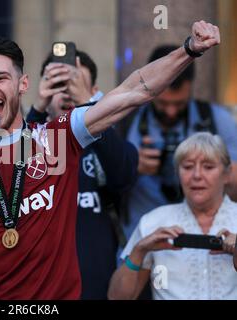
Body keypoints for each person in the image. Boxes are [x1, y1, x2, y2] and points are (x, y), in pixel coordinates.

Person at [0, 21, 220, 299]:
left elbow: (134, 91)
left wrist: (189, 49)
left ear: (23, 84)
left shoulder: (55, 139)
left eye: (0, 77)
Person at [26, 49, 138, 299]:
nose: (67, 92)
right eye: (58, 84)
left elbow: (124, 175)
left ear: (94, 89)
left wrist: (89, 103)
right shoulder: (33, 140)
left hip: (95, 288)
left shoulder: (110, 144)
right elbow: (11, 174)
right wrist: (36, 109)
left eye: (75, 83)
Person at [122, 44, 237, 240]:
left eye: (179, 104)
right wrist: (131, 163)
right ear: (149, 88)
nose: (171, 112)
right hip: (139, 234)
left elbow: (234, 179)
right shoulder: (125, 122)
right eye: (162, 103)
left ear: (191, 87)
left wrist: (211, 167)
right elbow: (100, 185)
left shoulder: (216, 119)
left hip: (205, 237)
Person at [108, 132, 237, 300]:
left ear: (227, 174)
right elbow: (117, 298)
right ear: (177, 174)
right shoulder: (154, 221)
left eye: (208, 166)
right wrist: (139, 251)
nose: (197, 175)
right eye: (188, 166)